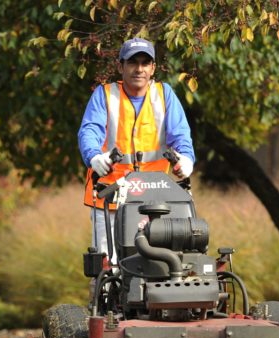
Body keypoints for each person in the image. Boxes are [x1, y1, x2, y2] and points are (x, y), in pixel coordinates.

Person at [78, 37, 195, 260]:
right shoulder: (104, 95)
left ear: (152, 68)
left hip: (156, 201)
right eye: (132, 62)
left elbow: (181, 135)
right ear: (121, 66)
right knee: (107, 270)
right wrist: (94, 157)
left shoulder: (164, 94)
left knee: (161, 264)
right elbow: (89, 131)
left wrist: (187, 159)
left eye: (144, 63)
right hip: (110, 197)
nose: (138, 69)